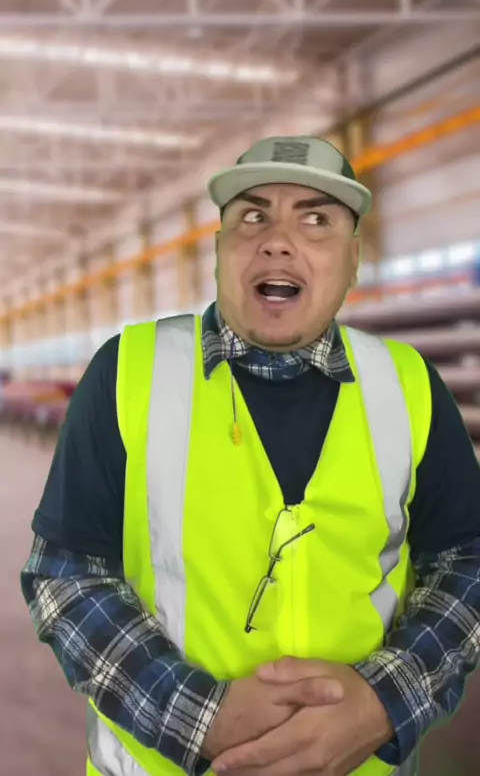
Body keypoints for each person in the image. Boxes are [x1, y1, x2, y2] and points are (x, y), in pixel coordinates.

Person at [21, 136, 480, 776]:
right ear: (219, 250)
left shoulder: (409, 387)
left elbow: (467, 561)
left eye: (315, 219)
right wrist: (200, 720)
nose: (278, 241)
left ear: (353, 258)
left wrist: (384, 703)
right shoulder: (126, 374)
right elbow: (65, 575)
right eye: (253, 216)